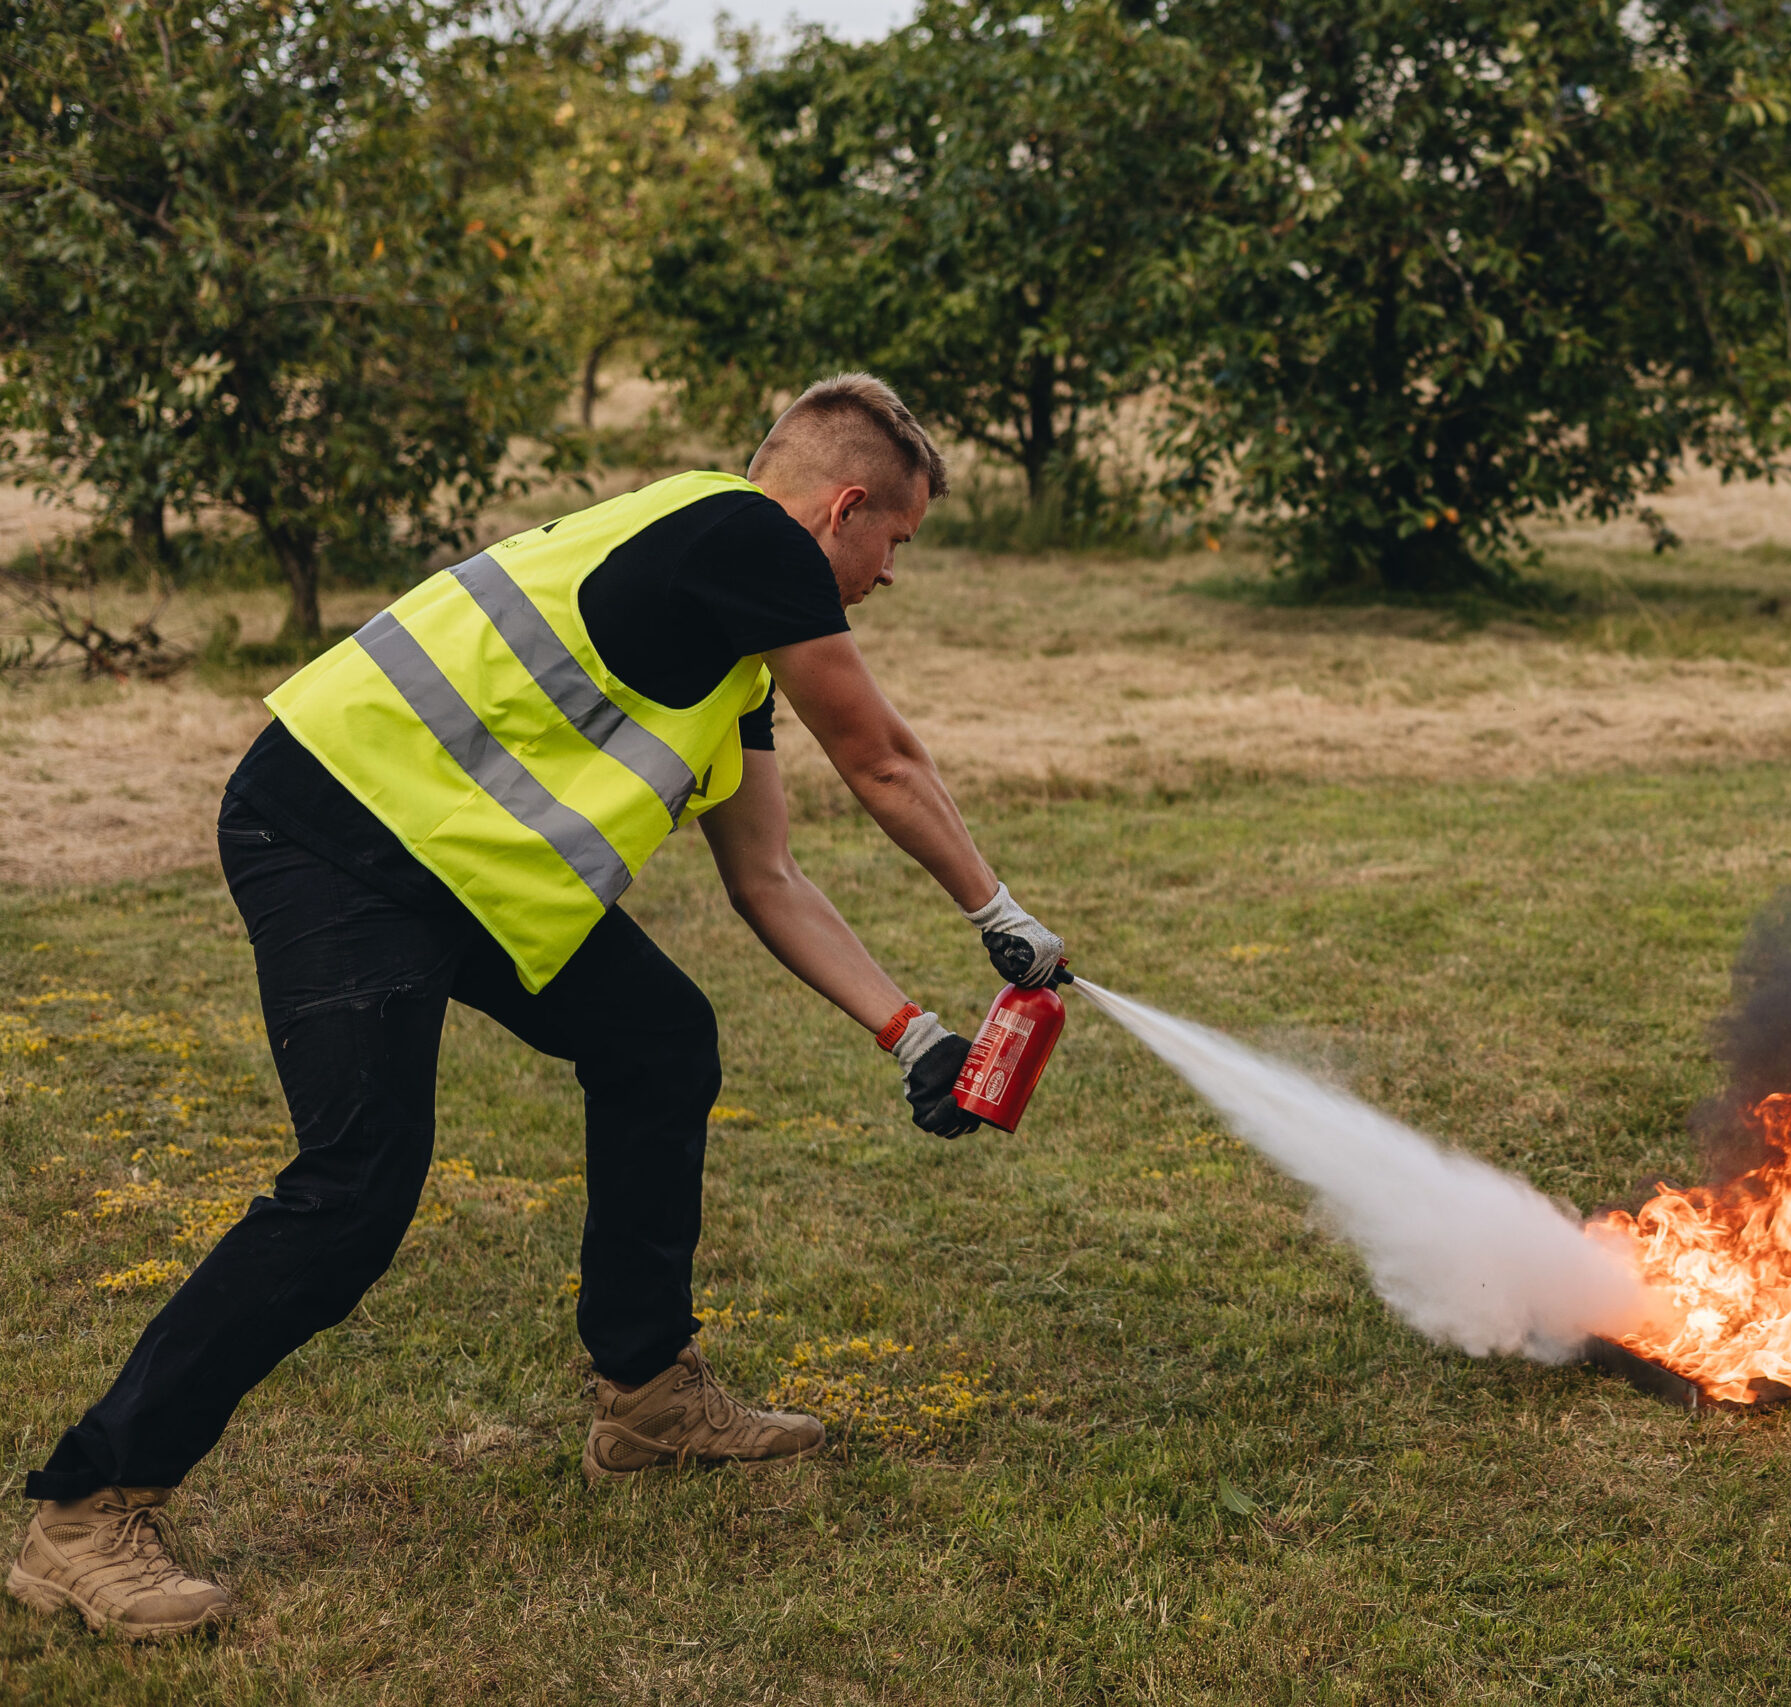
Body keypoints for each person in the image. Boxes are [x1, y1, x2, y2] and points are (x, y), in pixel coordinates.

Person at [7, 374, 1063, 1642]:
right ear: (842, 508)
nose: (889, 575)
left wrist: (918, 1037)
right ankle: (83, 1509)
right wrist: (993, 910)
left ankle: (647, 1397)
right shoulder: (744, 535)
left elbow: (767, 878)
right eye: (896, 542)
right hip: (336, 832)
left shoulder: (730, 643)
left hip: (458, 873)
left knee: (662, 1039)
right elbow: (885, 759)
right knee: (357, 1187)